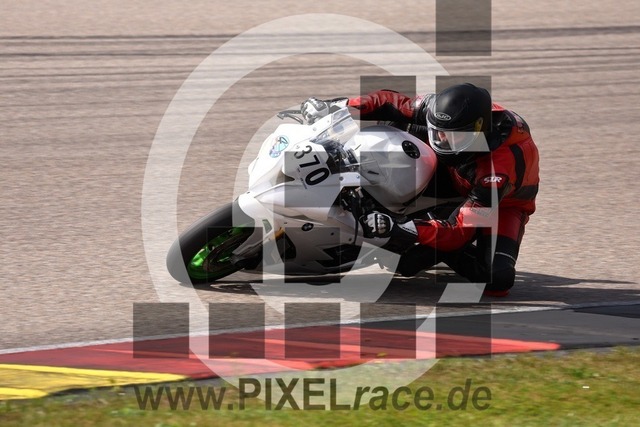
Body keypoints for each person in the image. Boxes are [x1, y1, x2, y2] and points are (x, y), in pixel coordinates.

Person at [300, 83, 539, 297]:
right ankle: (349, 168)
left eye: (452, 136)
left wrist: (402, 229)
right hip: (455, 172)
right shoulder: (442, 113)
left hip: (500, 205)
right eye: (439, 132)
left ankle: (418, 231)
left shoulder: (498, 171)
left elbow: (460, 231)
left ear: (478, 132)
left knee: (496, 278)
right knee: (398, 123)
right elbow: (391, 103)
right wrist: (339, 106)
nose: (442, 139)